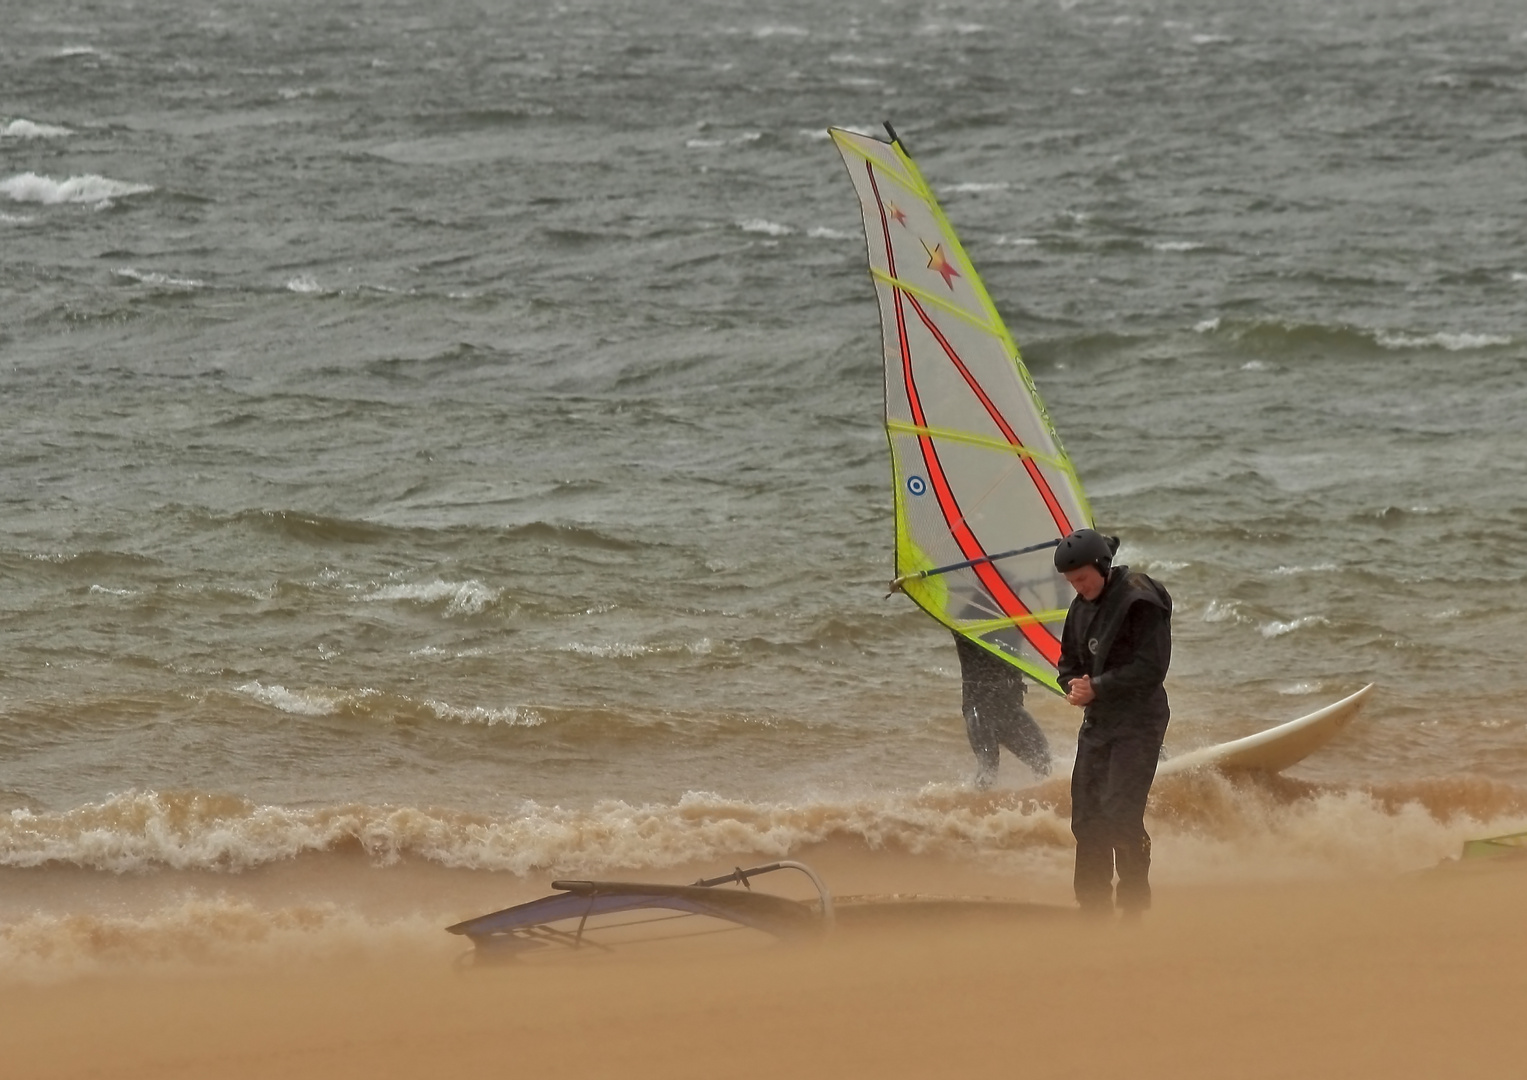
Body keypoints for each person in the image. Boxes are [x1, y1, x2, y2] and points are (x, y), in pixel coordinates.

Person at [1054, 528, 1172, 917]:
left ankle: (1135, 906)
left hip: (1140, 720)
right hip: (1099, 722)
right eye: (1072, 582)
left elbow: (1151, 668)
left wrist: (1099, 687)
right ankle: (1092, 907)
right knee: (1087, 817)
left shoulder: (1139, 598)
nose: (1079, 587)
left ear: (1102, 566)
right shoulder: (1079, 607)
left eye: (1083, 578)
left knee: (1121, 813)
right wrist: (1073, 686)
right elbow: (1068, 664)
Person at [953, 631, 1052, 788]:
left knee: (1043, 761)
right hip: (980, 706)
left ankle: (1044, 809)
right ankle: (973, 809)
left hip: (1010, 708)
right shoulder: (968, 622)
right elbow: (948, 613)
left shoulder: (1017, 618)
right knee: (988, 768)